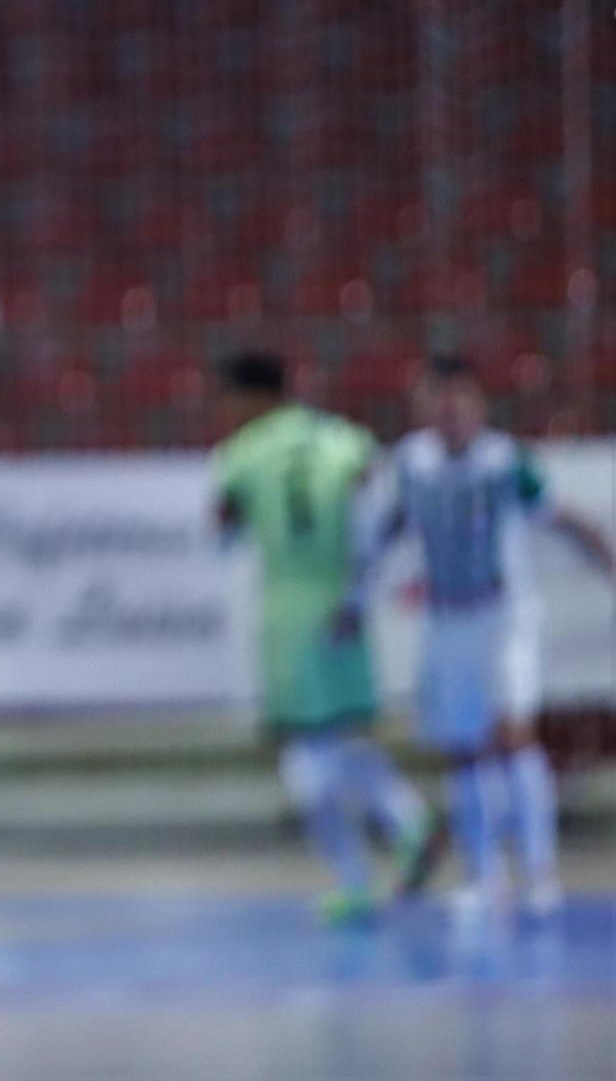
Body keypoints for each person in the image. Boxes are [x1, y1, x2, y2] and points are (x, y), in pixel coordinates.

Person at [353, 355, 616, 919]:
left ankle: (540, 874)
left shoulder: (505, 463)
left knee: (515, 735)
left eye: (460, 398)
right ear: (423, 408)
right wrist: (354, 599)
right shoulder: (412, 465)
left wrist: (606, 559)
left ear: (478, 406)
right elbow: (386, 532)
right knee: (465, 750)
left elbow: (561, 518)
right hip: (449, 621)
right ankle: (484, 874)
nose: (449, 411)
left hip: (504, 617)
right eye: (437, 399)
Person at [211, 351, 438, 924]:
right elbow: (380, 509)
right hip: (344, 601)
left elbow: (225, 528)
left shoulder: (240, 454)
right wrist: (360, 583)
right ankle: (405, 824)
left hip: (289, 608)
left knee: (305, 750)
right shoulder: (344, 439)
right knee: (335, 734)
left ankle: (364, 867)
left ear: (250, 397)